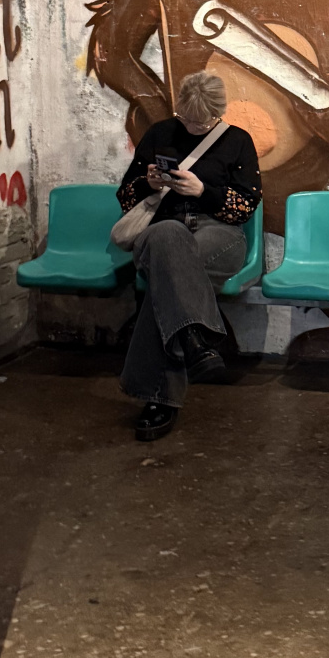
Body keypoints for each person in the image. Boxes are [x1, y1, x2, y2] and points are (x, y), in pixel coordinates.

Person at [115, 69, 262, 441]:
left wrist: (202, 191)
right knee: (169, 237)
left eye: (203, 122)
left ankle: (159, 396)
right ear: (178, 108)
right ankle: (195, 341)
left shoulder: (238, 141)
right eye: (187, 119)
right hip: (161, 231)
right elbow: (126, 197)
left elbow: (244, 207)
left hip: (219, 233)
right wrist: (147, 183)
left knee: (167, 279)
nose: (194, 127)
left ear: (218, 112)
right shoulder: (160, 134)